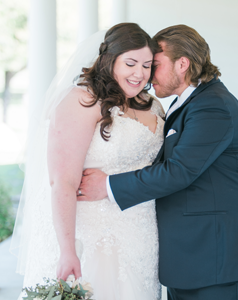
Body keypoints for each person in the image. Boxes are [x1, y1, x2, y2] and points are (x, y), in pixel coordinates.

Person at [77, 24, 238, 300]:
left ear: (183, 64)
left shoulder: (213, 106)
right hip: (190, 258)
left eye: (155, 65)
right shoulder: (188, 103)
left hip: (216, 260)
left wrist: (108, 185)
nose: (148, 75)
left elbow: (179, 171)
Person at [12, 23, 164, 300]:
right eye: (130, 63)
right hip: (93, 232)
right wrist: (68, 250)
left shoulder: (153, 105)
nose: (140, 74)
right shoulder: (81, 100)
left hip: (142, 232)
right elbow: (63, 181)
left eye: (147, 65)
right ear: (109, 60)